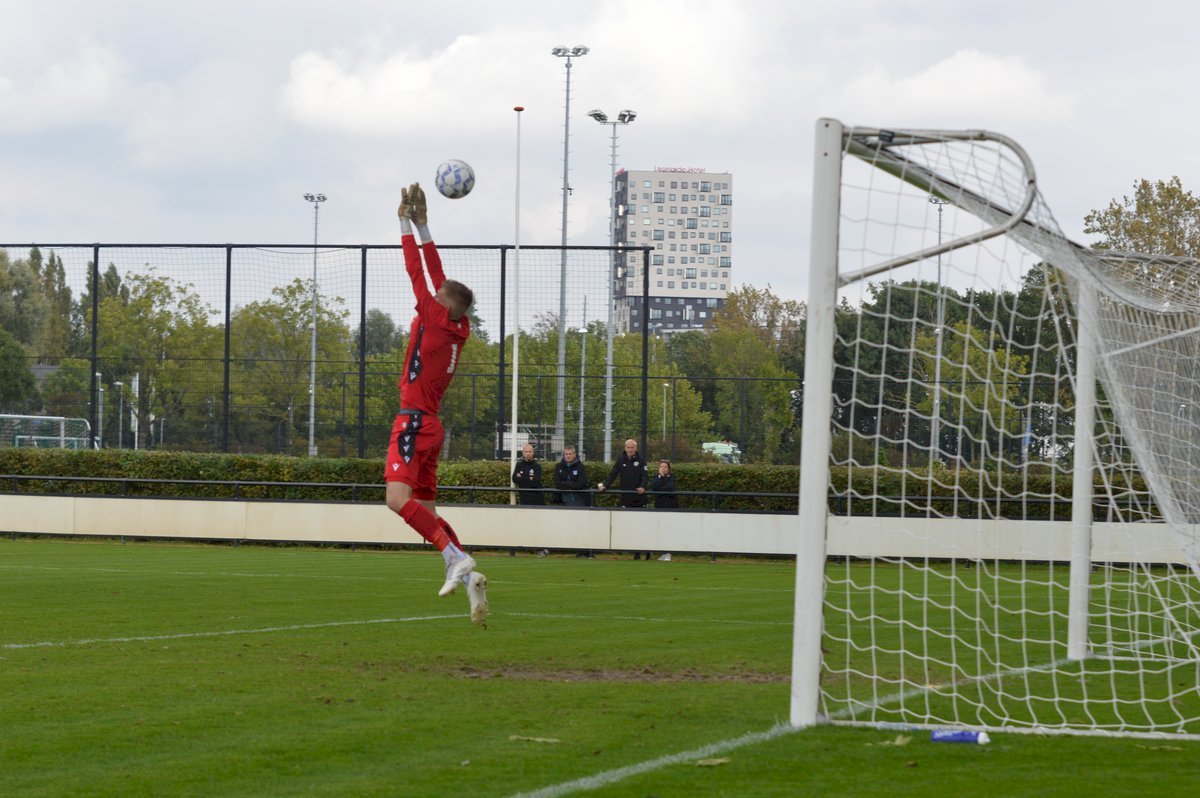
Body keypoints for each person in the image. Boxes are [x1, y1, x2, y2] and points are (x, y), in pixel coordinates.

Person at [383, 182, 488, 627]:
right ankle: (468, 574)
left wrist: (403, 223)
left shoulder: (433, 315)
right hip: (430, 427)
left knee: (395, 499)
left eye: (438, 293)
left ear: (444, 304)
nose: (432, 291)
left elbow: (415, 268)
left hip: (412, 422)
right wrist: (424, 223)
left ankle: (454, 556)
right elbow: (435, 271)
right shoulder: (456, 325)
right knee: (426, 512)